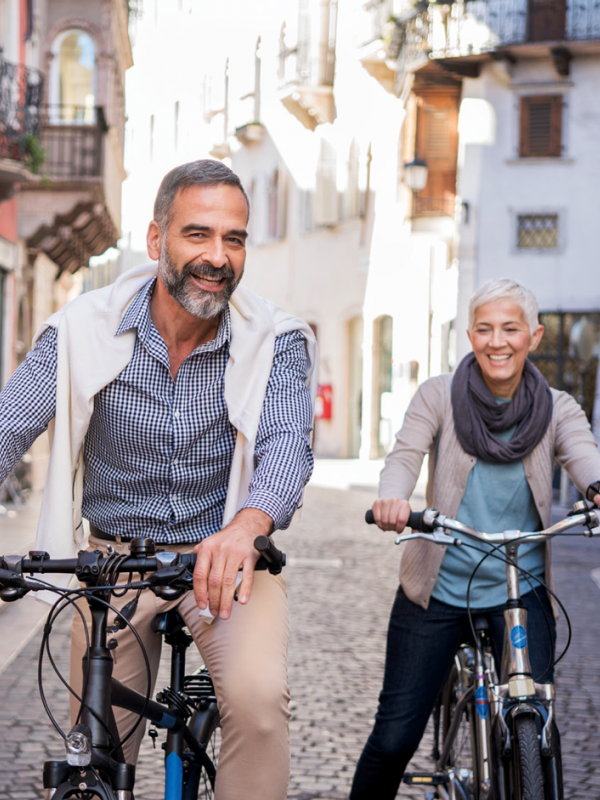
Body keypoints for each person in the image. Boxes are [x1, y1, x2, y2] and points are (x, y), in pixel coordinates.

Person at [0, 160, 317, 800]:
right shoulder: (80, 328)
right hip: (113, 565)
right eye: (197, 234)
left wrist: (247, 529)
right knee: (94, 746)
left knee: (258, 708)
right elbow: (9, 426)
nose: (217, 256)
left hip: (225, 558)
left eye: (234, 238)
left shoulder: (276, 338)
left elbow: (288, 446)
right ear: (156, 242)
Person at [349, 279, 600, 800]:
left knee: (537, 721)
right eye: (484, 329)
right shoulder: (438, 395)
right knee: (394, 739)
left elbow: (581, 453)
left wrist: (596, 487)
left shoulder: (557, 407)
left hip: (520, 586)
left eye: (510, 328)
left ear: (533, 335)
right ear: (470, 335)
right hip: (438, 589)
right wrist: (392, 500)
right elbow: (403, 457)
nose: (497, 341)